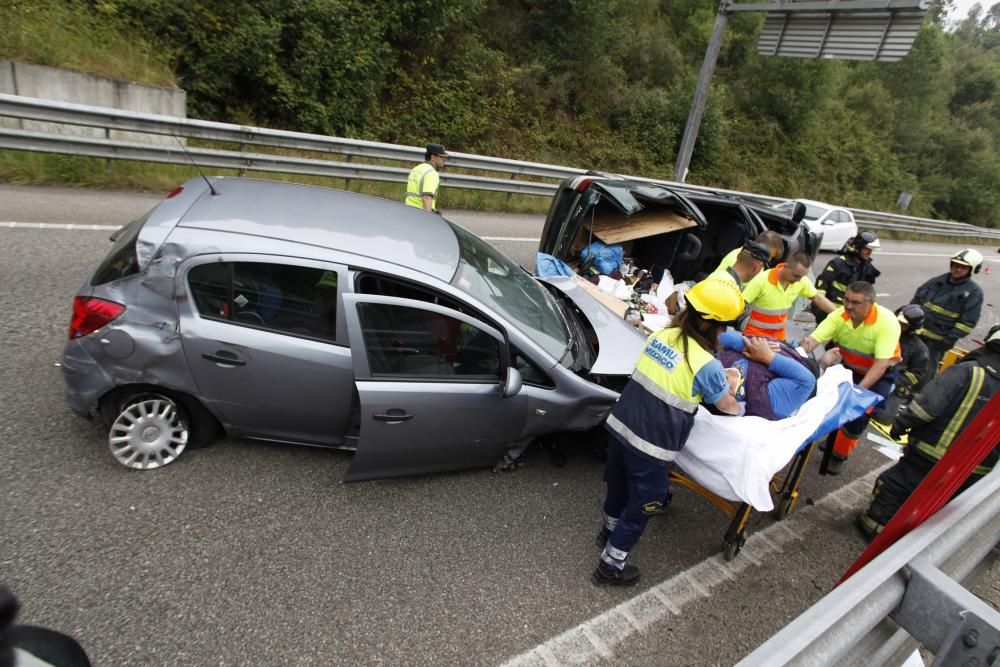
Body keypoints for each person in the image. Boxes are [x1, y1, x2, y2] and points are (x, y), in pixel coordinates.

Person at [593, 277, 745, 586]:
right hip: (652, 447)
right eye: (727, 326)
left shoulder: (664, 335)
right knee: (644, 504)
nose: (728, 332)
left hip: (621, 429)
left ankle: (607, 530)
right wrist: (736, 390)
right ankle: (611, 565)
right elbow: (727, 406)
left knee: (618, 486)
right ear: (713, 326)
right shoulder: (707, 365)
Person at [857, 325, 1000, 539]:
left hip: (929, 454)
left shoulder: (968, 371)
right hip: (974, 470)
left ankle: (873, 530)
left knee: (895, 487)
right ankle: (910, 541)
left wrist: (900, 425)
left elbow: (926, 407)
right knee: (940, 506)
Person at [800, 281, 901, 474]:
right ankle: (828, 436)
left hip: (878, 374)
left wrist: (856, 392)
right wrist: (797, 354)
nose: (848, 306)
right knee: (827, 400)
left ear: (871, 303)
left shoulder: (886, 322)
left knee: (858, 413)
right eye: (846, 300)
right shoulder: (839, 316)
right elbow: (812, 341)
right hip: (849, 368)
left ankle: (838, 454)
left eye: (855, 302)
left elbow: (880, 365)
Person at [909, 248, 985, 380]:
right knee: (907, 360)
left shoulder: (973, 292)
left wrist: (950, 338)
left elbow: (968, 322)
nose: (958, 269)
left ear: (972, 269)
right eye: (955, 265)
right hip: (917, 332)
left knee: (926, 368)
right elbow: (916, 301)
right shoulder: (936, 282)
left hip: (938, 341)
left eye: (963, 267)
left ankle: (916, 396)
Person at [717, 331, 817, 420]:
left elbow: (714, 334)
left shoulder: (760, 400)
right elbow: (806, 381)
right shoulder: (765, 401)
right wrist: (768, 356)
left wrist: (745, 345)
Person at [741, 251, 836, 342]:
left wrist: (841, 314)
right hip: (754, 338)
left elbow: (818, 298)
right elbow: (741, 305)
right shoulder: (762, 280)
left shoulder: (801, 281)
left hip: (778, 338)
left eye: (802, 277)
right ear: (785, 266)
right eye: (796, 276)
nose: (799, 280)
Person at [871, 305, 931, 427]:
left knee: (884, 418)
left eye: (903, 324)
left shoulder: (919, 349)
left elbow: (916, 374)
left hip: (891, 384)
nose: (899, 325)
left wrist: (894, 381)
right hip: (868, 374)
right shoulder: (881, 332)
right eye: (898, 321)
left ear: (912, 327)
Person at [810, 231, 881, 322]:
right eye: (867, 249)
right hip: (829, 312)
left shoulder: (868, 269)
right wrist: (820, 309)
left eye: (871, 249)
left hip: (852, 314)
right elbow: (821, 286)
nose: (869, 252)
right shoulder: (838, 263)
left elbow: (868, 294)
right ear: (858, 247)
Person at [404, 143, 448, 212]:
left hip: (408, 211)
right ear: (433, 157)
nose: (444, 159)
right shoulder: (431, 173)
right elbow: (427, 198)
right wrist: (428, 219)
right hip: (420, 214)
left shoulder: (416, 169)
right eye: (441, 157)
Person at [715, 230, 785, 274]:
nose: (768, 260)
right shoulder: (737, 260)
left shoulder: (757, 261)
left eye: (771, 258)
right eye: (768, 256)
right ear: (758, 247)